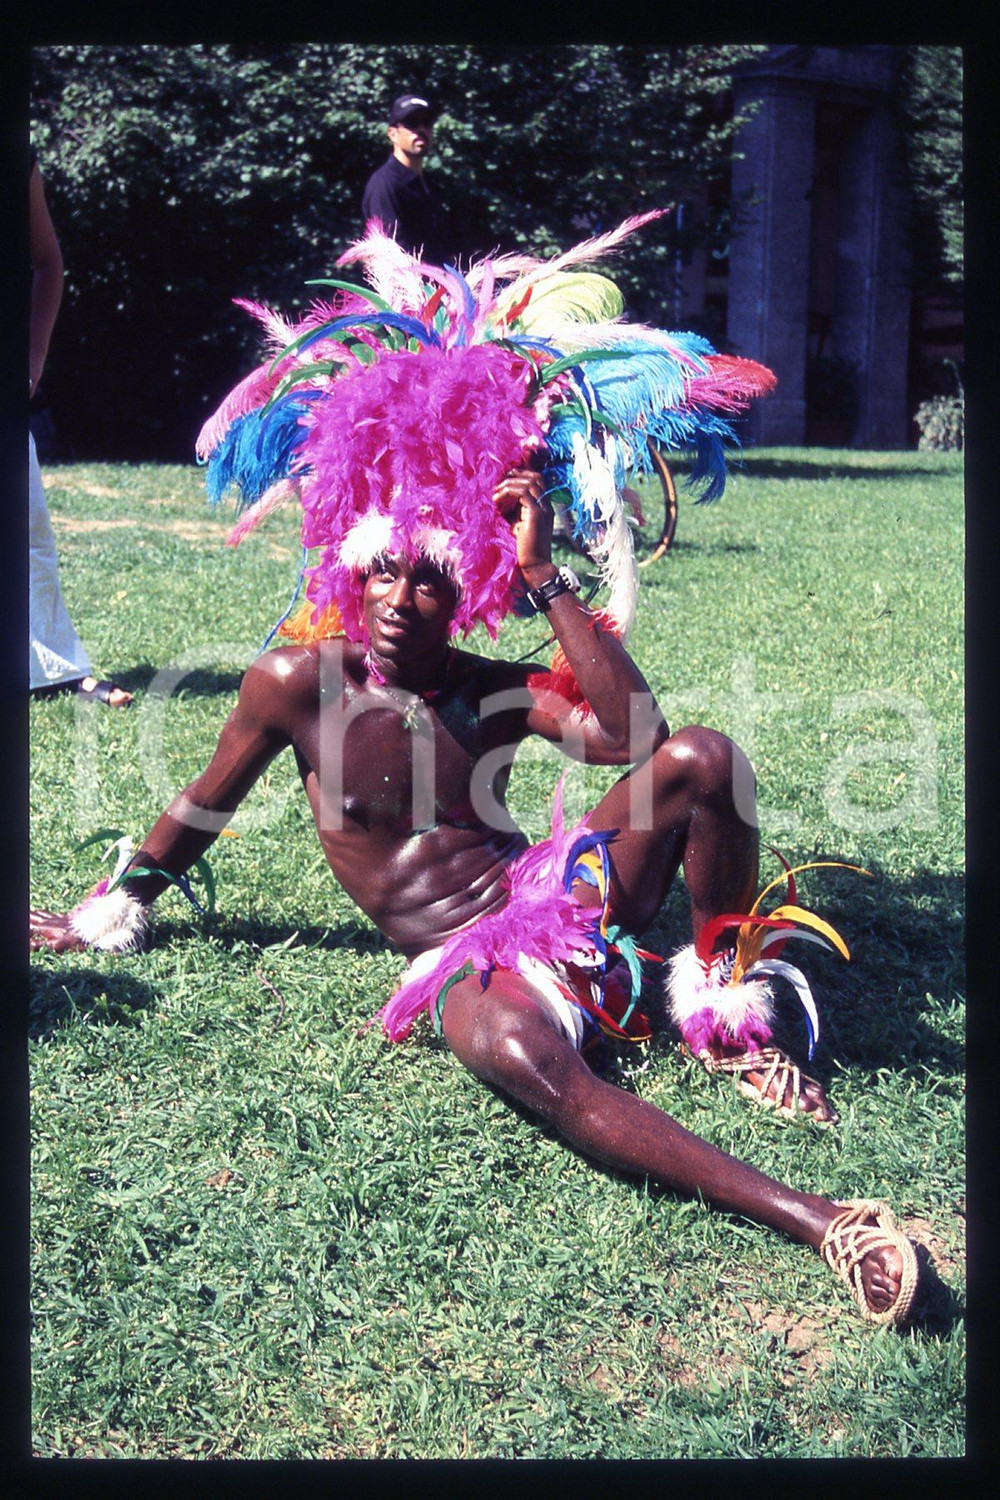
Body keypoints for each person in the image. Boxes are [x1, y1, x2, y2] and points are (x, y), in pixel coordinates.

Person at [30, 215, 920, 1326]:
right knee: (504, 1045)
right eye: (388, 575)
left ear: (470, 590)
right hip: (467, 958)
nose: (406, 602)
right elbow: (201, 806)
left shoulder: (493, 686)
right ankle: (820, 1216)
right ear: (352, 572)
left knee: (706, 760)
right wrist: (114, 904)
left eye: (437, 582)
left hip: (562, 896)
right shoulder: (290, 687)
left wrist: (545, 576)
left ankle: (725, 1006)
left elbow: (640, 743)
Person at [29, 154, 132, 708]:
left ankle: (55, 670)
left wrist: (34, 357)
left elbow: (47, 262)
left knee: (27, 531)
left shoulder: (19, 162)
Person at [361, 92, 456, 264]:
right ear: (392, 134)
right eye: (412, 123)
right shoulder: (385, 185)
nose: (421, 130)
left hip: (443, 286)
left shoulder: (429, 184)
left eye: (426, 123)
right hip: (413, 289)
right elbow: (392, 256)